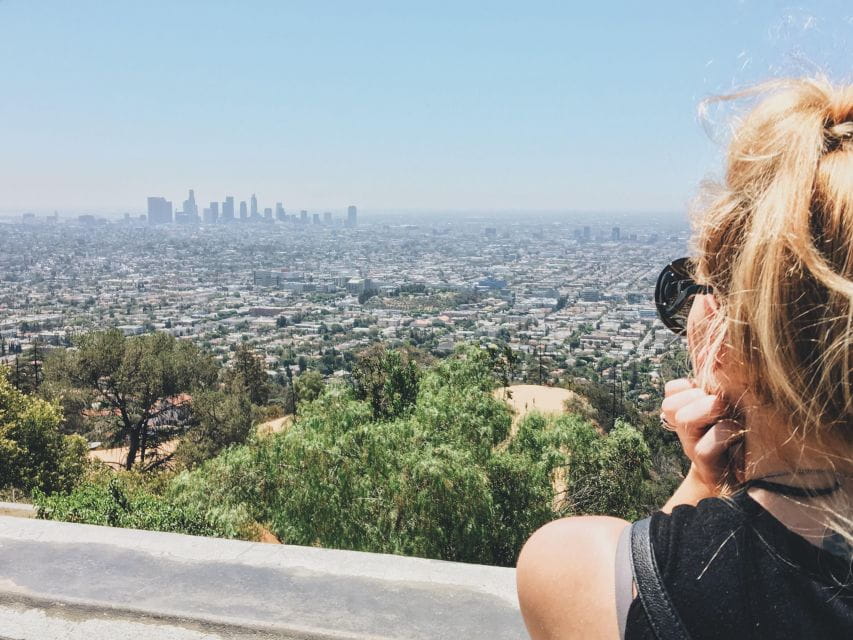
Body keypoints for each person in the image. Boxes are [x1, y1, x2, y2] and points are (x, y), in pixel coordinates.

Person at [516, 77, 853, 639]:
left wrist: (703, 482)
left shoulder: (573, 565)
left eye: (692, 286)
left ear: (729, 329)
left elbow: (637, 596)